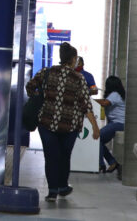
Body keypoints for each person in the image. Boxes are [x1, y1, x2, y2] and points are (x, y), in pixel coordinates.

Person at [26, 42, 100, 202]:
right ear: (73, 59)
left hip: (46, 123)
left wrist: (42, 97)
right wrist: (95, 126)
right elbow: (85, 104)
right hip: (69, 126)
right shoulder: (78, 78)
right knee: (64, 156)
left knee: (51, 157)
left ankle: (52, 191)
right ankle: (62, 186)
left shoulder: (46, 72)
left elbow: (30, 87)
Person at [95, 75, 126, 178]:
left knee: (98, 136)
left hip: (118, 123)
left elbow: (105, 103)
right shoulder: (117, 94)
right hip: (117, 123)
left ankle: (100, 164)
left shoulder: (114, 94)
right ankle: (112, 162)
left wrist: (91, 101)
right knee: (100, 141)